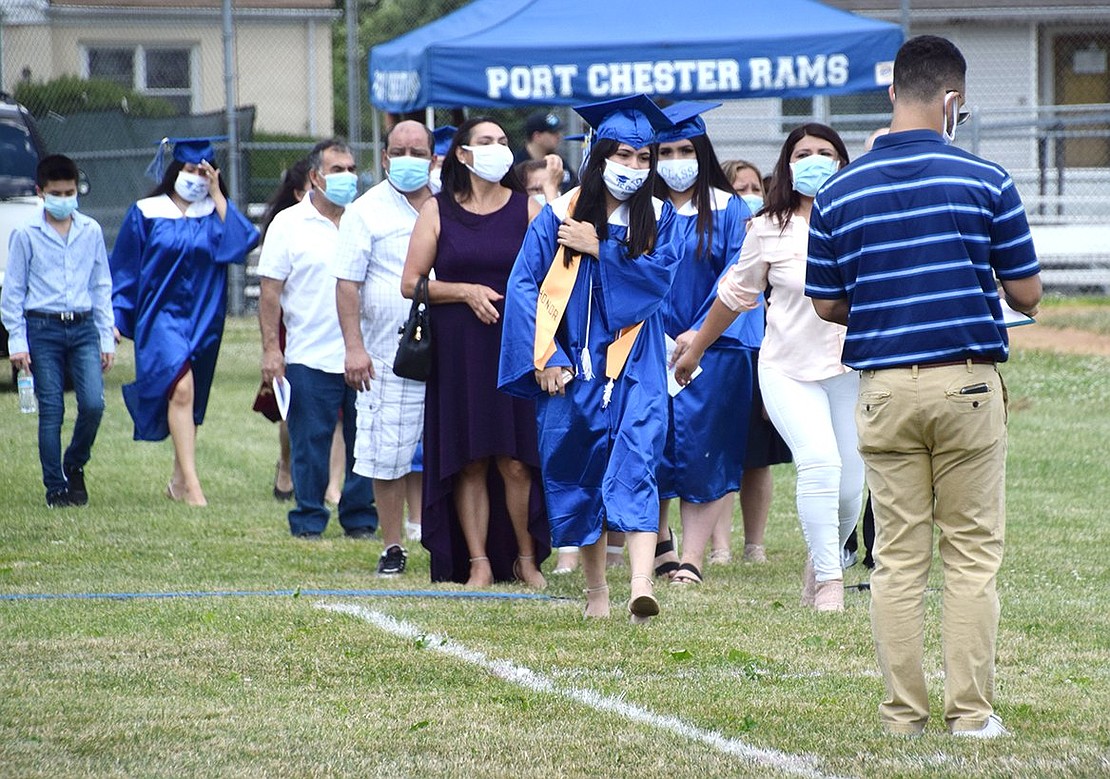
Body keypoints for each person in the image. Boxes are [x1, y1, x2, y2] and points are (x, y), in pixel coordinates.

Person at [806, 35, 1041, 738]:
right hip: (967, 386)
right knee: (970, 555)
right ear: (953, 102)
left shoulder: (839, 190)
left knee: (898, 559)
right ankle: (971, 712)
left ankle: (902, 714)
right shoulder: (987, 180)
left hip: (884, 390)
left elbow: (825, 301)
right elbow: (1027, 293)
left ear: (891, 94)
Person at [499, 93, 682, 623]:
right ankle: (597, 592)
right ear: (600, 156)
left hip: (634, 360)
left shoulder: (662, 218)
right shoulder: (558, 214)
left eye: (643, 158)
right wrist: (546, 355)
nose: (633, 168)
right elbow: (525, 287)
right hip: (574, 359)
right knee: (584, 469)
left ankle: (641, 586)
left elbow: (658, 280)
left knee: (638, 459)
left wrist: (601, 247)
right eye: (622, 156)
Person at [674, 123, 863, 612]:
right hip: (787, 370)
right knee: (819, 465)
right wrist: (696, 348)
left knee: (849, 490)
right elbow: (735, 295)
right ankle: (830, 582)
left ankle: (822, 560)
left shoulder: (864, 221)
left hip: (851, 371)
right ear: (787, 164)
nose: (815, 161)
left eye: (826, 152)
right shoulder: (766, 226)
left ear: (844, 164)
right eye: (804, 153)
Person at [400, 116, 550, 587]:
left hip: (515, 349)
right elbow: (411, 283)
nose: (498, 149)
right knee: (469, 460)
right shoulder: (437, 210)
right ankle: (479, 562)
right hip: (459, 351)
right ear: (463, 154)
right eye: (486, 142)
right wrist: (464, 291)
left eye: (503, 142)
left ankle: (526, 558)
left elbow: (552, 280)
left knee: (516, 460)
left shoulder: (528, 209)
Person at [110, 136, 260, 506]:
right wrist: (116, 317)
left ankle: (178, 479)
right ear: (175, 170)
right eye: (190, 170)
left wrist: (220, 197)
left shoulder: (214, 213)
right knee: (180, 389)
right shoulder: (146, 212)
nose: (195, 177)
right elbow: (126, 269)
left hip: (205, 317)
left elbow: (244, 242)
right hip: (159, 316)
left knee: (192, 396)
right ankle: (193, 486)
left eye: (203, 171)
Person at [652, 101, 762, 585]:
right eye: (666, 151)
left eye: (685, 149)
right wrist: (660, 335)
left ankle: (692, 558)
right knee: (649, 445)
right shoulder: (640, 209)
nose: (677, 159)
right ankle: (658, 542)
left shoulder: (729, 207)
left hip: (716, 347)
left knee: (707, 449)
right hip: (646, 344)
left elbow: (736, 275)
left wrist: (698, 333)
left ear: (701, 152)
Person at [257, 138, 377, 541]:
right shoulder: (288, 224)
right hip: (309, 353)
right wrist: (273, 350)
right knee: (310, 444)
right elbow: (270, 293)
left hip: (365, 353)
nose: (347, 177)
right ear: (315, 177)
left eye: (351, 169)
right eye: (337, 170)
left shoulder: (365, 219)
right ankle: (309, 518)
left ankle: (359, 517)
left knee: (365, 441)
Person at [337, 120, 438, 574]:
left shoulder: (447, 205)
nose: (408, 160)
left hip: (447, 349)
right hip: (387, 355)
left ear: (434, 158)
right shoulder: (366, 211)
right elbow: (347, 285)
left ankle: (449, 542)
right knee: (388, 454)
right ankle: (393, 545)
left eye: (418, 152)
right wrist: (354, 348)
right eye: (399, 151)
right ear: (383, 158)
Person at [1, 154, 114, 508]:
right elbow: (14, 291)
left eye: (69, 193)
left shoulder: (90, 230)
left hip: (82, 327)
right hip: (43, 327)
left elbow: (101, 285)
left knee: (94, 404)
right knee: (51, 410)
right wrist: (17, 343)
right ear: (41, 192)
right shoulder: (25, 233)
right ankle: (56, 487)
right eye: (57, 193)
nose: (64, 200)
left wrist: (106, 336)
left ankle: (74, 463)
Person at [718, 157, 794, 566]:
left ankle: (755, 544)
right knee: (718, 453)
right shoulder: (716, 233)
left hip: (764, 352)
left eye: (753, 188)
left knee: (757, 456)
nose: (748, 197)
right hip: (722, 351)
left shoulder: (777, 234)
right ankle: (719, 546)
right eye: (738, 189)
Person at [514, 110, 576, 193]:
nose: (559, 136)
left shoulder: (559, 163)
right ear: (537, 136)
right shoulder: (516, 164)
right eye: (553, 132)